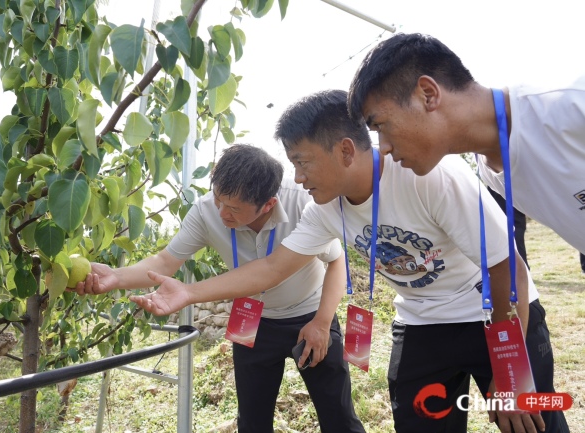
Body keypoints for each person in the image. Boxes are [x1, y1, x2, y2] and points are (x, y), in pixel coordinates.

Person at [133, 90, 568, 433]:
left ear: (344, 150)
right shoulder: (325, 207)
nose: (298, 178)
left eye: (302, 163)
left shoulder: (429, 177)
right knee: (421, 421)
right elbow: (271, 269)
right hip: (421, 326)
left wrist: (509, 368)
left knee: (530, 423)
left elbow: (506, 267)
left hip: (494, 316)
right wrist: (187, 291)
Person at [73, 144, 366, 433]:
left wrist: (323, 322)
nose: (222, 212)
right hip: (253, 320)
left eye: (235, 209)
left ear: (268, 205)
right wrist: (117, 276)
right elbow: (164, 262)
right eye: (218, 199)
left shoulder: (302, 202)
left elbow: (336, 262)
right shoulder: (205, 211)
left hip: (310, 316)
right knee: (251, 421)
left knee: (339, 417)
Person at [346, 32, 585, 255]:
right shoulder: (491, 171)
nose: (384, 148)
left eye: (380, 125)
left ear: (428, 94)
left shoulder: (571, 106)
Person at [487, 186, 529, 268]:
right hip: (499, 188)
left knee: (515, 235)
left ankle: (520, 268)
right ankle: (519, 268)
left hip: (506, 189)